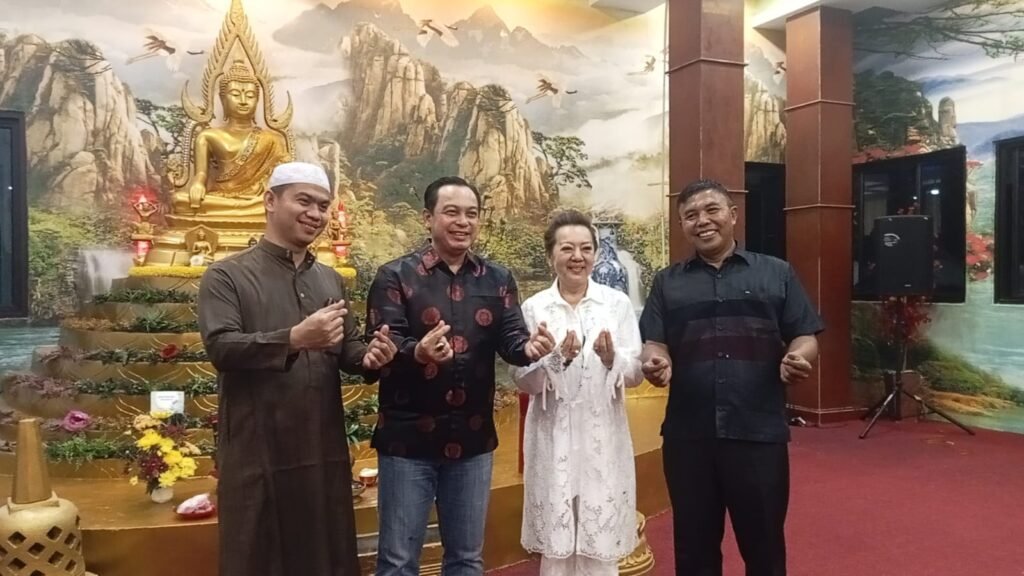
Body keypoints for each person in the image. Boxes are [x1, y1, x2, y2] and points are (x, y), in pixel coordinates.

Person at [197, 161, 398, 576]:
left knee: (324, 548)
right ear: (270, 201)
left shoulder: (329, 279)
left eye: (323, 206)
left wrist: (370, 357)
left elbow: (347, 347)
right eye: (304, 201)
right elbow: (221, 347)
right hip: (258, 448)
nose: (315, 214)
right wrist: (293, 339)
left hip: (321, 445)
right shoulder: (226, 276)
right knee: (260, 552)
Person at [365, 175, 556, 576]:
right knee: (398, 561)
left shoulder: (497, 278)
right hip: (407, 440)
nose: (463, 222)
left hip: (472, 438)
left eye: (471, 213)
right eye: (451, 212)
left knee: (466, 559)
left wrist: (530, 349)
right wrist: (417, 351)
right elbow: (383, 340)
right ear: (428, 217)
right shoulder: (395, 276)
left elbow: (512, 338)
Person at [639, 179, 823, 576]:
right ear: (682, 225)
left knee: (764, 548)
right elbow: (655, 344)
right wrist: (655, 362)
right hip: (689, 437)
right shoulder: (667, 282)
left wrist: (797, 356)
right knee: (694, 550)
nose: (702, 221)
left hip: (758, 433)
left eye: (712, 210)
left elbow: (805, 336)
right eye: (691, 215)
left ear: (733, 215)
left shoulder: (776, 273)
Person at [511, 209, 644, 576]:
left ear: (596, 254)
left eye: (586, 248)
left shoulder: (616, 304)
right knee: (558, 543)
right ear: (550, 255)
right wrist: (558, 360)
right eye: (567, 248)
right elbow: (521, 379)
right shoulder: (533, 308)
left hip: (601, 437)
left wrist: (612, 358)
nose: (577, 257)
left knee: (599, 537)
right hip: (552, 437)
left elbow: (636, 374)